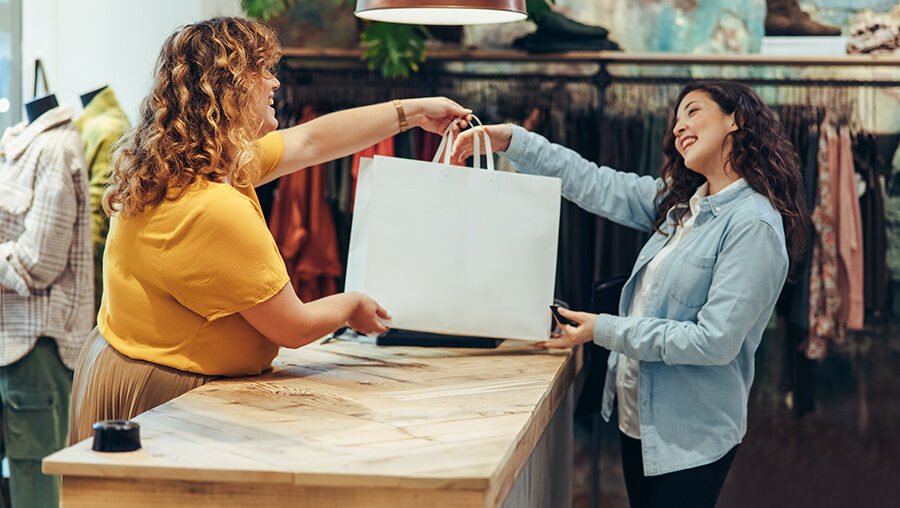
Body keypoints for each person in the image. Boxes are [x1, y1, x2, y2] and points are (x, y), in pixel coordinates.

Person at [68, 16, 470, 444]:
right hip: (164, 397)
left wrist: (413, 111)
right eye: (260, 71)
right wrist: (351, 304)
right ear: (226, 89)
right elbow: (293, 328)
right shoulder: (214, 206)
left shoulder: (181, 167)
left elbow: (312, 141)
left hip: (120, 365)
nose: (274, 84)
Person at [452, 82, 809, 508]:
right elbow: (593, 182)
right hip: (637, 422)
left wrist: (603, 329)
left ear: (737, 119)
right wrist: (513, 140)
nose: (679, 126)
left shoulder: (752, 225)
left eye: (692, 112)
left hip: (690, 435)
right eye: (676, 119)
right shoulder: (682, 206)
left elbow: (714, 341)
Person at [1, 96, 93, 505]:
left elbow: (39, 261)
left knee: (35, 480)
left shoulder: (56, 149)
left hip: (37, 346)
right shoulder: (17, 145)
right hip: (12, 342)